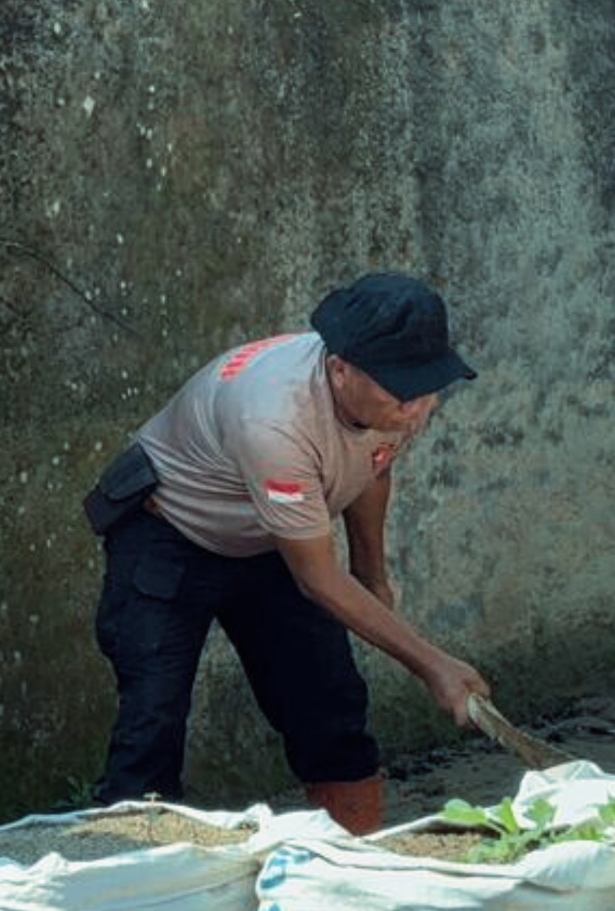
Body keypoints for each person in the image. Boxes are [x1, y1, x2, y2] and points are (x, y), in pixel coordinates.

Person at [84, 270, 489, 833]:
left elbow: (373, 468)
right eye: (403, 392)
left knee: (329, 703)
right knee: (152, 720)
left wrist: (371, 573)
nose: (418, 410)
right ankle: (132, 874)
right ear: (341, 368)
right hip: (171, 533)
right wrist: (433, 665)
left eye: (430, 388)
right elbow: (318, 580)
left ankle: (356, 857)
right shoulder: (274, 417)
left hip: (274, 537)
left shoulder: (395, 400)